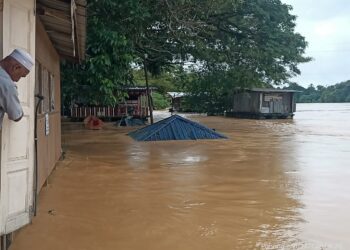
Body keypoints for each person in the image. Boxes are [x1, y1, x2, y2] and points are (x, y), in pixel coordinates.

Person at [0, 48, 34, 128]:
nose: (17, 80)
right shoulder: (7, 84)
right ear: (16, 67)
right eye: (21, 76)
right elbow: (16, 116)